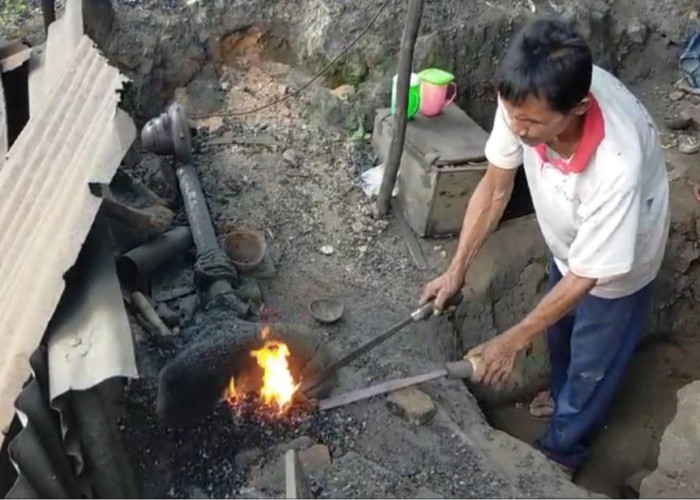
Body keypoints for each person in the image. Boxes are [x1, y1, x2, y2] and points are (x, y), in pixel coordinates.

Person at [420, 16, 670, 476]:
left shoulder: (617, 164)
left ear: (576, 108)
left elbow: (589, 275)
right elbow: (495, 189)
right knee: (559, 332)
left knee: (593, 362)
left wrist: (511, 342)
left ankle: (563, 452)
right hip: (572, 240)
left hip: (620, 262)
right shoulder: (522, 98)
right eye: (513, 115)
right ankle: (558, 395)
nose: (517, 128)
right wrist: (457, 270)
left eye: (531, 122)